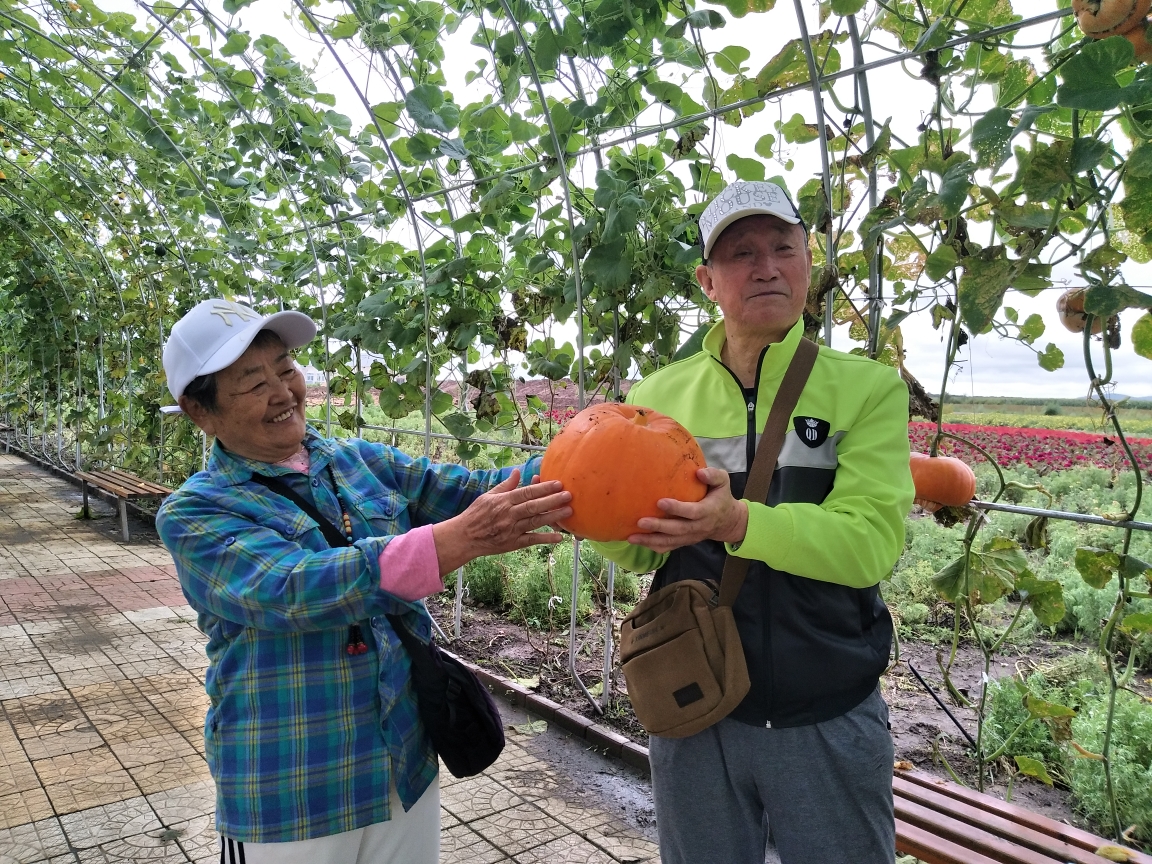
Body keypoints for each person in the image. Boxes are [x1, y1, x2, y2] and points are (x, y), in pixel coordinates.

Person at [155, 298, 572, 864]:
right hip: (294, 789)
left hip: (400, 764)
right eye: (252, 384)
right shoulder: (195, 512)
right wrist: (457, 541)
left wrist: (590, 458)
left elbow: (477, 489)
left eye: (285, 368)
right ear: (200, 411)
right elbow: (293, 587)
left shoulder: (356, 460)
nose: (282, 392)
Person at [590, 181, 915, 864]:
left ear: (807, 262)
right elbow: (642, 553)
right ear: (709, 281)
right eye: (741, 254)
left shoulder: (866, 389)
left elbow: (869, 545)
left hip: (824, 708)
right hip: (694, 703)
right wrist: (587, 512)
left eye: (782, 247)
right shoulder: (659, 397)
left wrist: (739, 521)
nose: (766, 266)